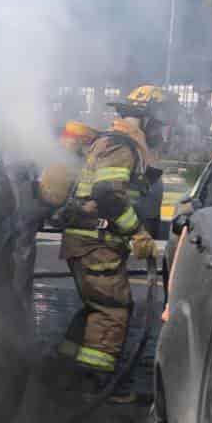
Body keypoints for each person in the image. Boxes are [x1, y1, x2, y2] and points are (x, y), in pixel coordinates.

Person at [59, 85, 169, 403]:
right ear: (148, 120)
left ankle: (65, 369)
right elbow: (108, 194)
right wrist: (137, 233)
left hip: (90, 242)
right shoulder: (122, 146)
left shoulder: (119, 143)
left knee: (96, 307)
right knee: (112, 311)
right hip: (96, 244)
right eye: (162, 123)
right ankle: (96, 384)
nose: (164, 131)